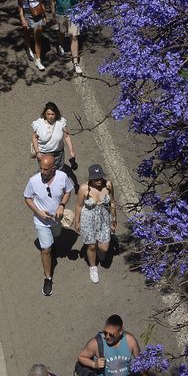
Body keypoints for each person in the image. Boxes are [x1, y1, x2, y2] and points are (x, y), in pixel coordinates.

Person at [23, 153, 73, 296]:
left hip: (56, 220)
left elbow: (68, 191)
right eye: (41, 168)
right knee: (45, 249)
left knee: (56, 235)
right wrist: (39, 213)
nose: (42, 172)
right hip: (41, 222)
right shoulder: (33, 181)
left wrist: (62, 205)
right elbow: (27, 198)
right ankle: (48, 278)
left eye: (46, 169)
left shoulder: (62, 177)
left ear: (53, 168)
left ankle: (53, 245)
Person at [76, 164, 116, 284]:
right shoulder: (84, 189)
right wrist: (77, 222)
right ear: (90, 178)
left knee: (104, 248)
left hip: (104, 218)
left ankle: (99, 248)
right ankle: (93, 267)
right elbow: (79, 206)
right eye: (96, 179)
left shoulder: (108, 185)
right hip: (88, 220)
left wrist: (114, 218)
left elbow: (112, 202)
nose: (99, 181)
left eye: (100, 178)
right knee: (91, 246)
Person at [49, 0, 84, 75]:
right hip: (61, 12)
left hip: (74, 12)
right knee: (62, 32)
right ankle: (60, 44)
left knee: (74, 36)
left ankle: (76, 63)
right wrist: (53, 14)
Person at [30, 102, 76, 174]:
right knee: (45, 172)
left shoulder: (61, 122)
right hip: (44, 154)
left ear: (56, 114)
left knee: (58, 172)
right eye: (48, 114)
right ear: (45, 114)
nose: (50, 117)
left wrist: (71, 151)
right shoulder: (39, 124)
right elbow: (34, 138)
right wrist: (38, 153)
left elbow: (66, 136)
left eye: (52, 114)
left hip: (58, 154)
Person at [18, 0, 50, 71]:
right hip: (27, 13)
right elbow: (20, 6)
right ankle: (28, 48)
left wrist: (44, 15)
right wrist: (22, 19)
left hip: (38, 12)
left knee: (38, 37)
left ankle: (38, 60)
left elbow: (41, 1)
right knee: (27, 33)